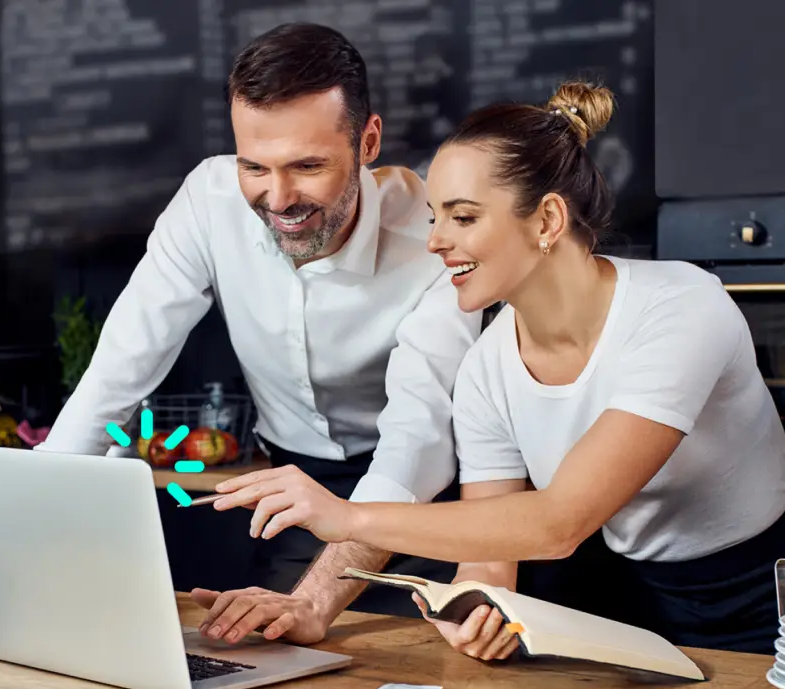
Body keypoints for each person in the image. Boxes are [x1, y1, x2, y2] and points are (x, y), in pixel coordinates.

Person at [203, 80, 785, 656]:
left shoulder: (681, 307)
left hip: (770, 597)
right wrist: (476, 605)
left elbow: (559, 522)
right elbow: (492, 555)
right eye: (434, 217)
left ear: (546, 220)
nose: (435, 241)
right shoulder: (487, 369)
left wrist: (346, 516)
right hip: (622, 598)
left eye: (463, 218)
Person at [37, 23, 481, 620]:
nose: (278, 198)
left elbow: (416, 443)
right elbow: (117, 373)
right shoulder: (208, 202)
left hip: (426, 500)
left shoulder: (433, 238)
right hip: (294, 488)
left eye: (307, 166)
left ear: (368, 142)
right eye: (255, 167)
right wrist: (30, 523)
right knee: (279, 677)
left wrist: (316, 604)